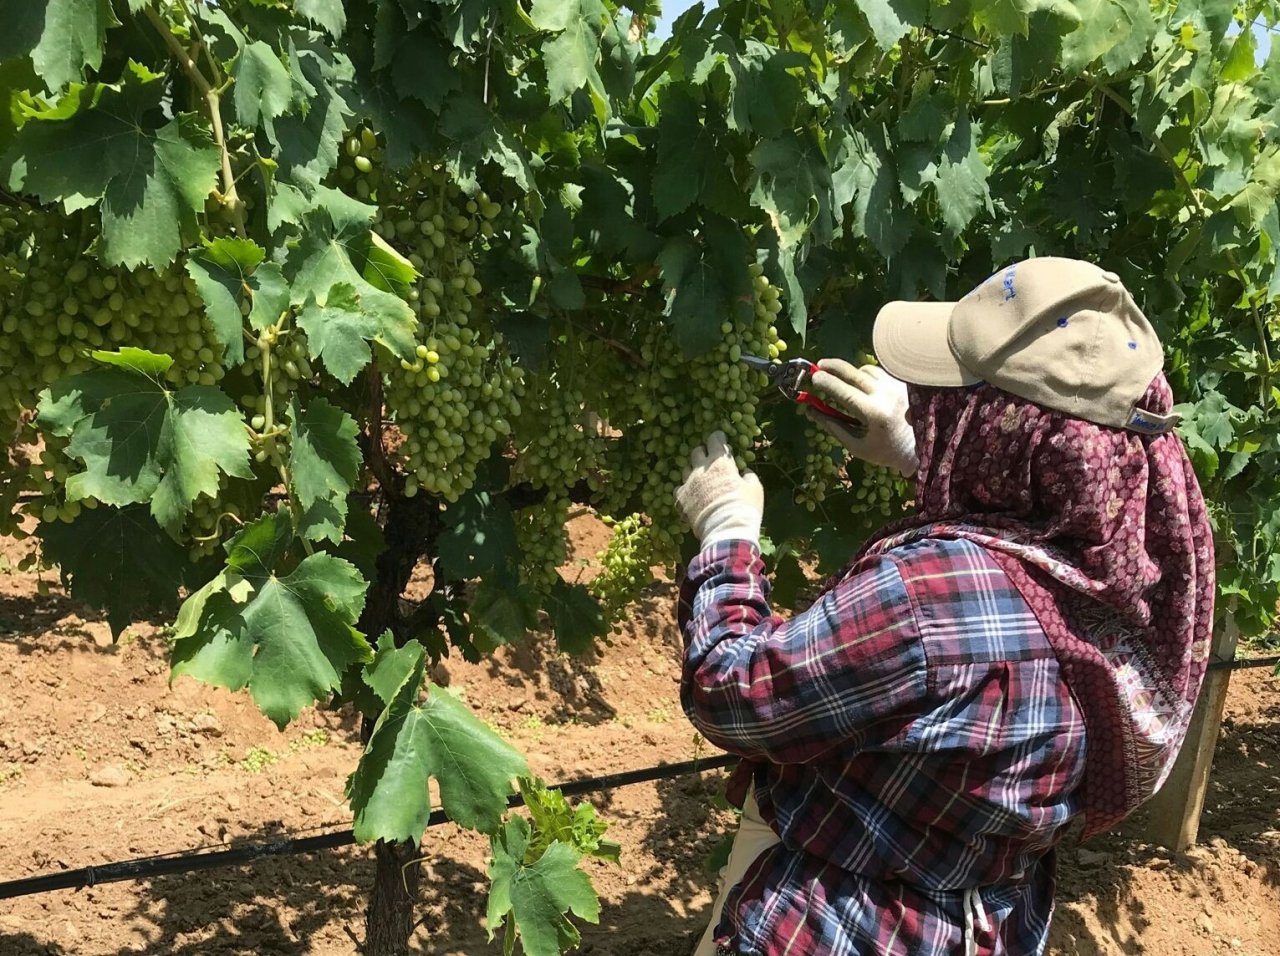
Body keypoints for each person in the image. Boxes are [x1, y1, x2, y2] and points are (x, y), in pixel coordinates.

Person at [673, 257, 1215, 956]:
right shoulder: (1134, 573)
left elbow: (733, 692)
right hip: (985, 924)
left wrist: (727, 536)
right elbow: (1040, 541)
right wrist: (914, 453)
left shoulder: (931, 597)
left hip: (845, 932)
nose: (933, 402)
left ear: (997, 428)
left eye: (956, 398)